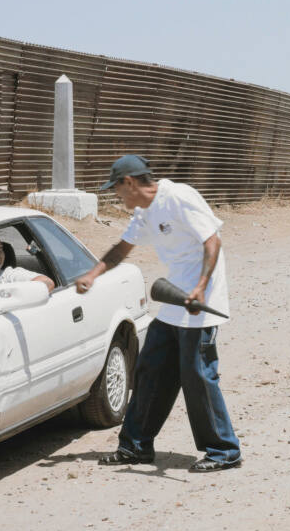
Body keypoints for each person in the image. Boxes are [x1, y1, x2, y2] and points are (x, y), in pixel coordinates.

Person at [75, 154, 241, 472]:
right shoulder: (144, 212)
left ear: (129, 182)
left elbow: (212, 241)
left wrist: (201, 287)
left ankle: (224, 450)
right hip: (174, 298)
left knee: (197, 375)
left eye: (116, 189)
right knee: (150, 369)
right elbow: (121, 249)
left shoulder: (178, 196)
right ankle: (135, 446)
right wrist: (92, 274)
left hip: (200, 301)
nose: (117, 196)